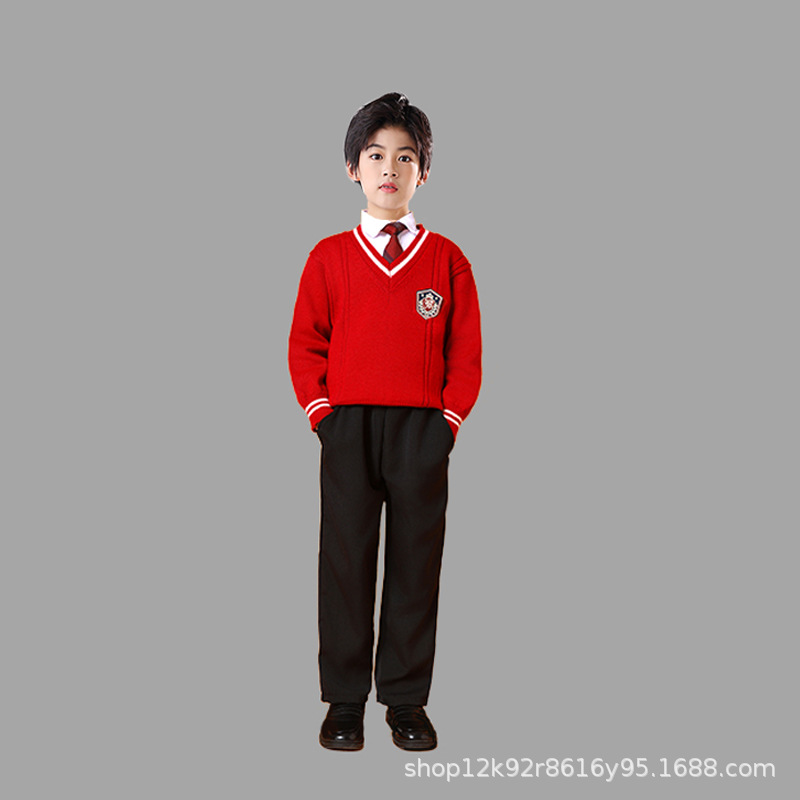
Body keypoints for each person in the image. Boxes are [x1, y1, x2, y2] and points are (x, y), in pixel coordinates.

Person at [288, 92, 482, 751]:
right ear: (353, 168)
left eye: (405, 156)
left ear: (423, 171)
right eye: (375, 156)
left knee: (415, 563)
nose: (389, 168)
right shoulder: (329, 256)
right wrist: (323, 413)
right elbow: (306, 342)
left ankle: (405, 701)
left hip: (422, 430)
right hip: (347, 427)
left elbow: (466, 350)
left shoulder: (446, 258)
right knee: (345, 560)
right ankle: (343, 702)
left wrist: (447, 421)